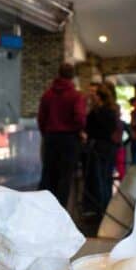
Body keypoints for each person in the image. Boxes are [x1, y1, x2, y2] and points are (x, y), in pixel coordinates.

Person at [37, 63, 87, 207]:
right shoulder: (76, 96)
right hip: (69, 140)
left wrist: (46, 133)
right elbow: (80, 119)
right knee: (65, 177)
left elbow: (41, 118)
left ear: (58, 74)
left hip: (51, 138)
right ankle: (60, 210)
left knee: (48, 175)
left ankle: (43, 208)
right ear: (72, 76)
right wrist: (79, 130)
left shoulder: (47, 95)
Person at [84, 84, 122, 213]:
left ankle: (102, 209)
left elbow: (88, 129)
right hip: (110, 148)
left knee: (100, 180)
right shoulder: (113, 110)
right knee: (107, 179)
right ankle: (107, 209)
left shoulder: (97, 112)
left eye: (95, 94)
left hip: (98, 148)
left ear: (99, 97)